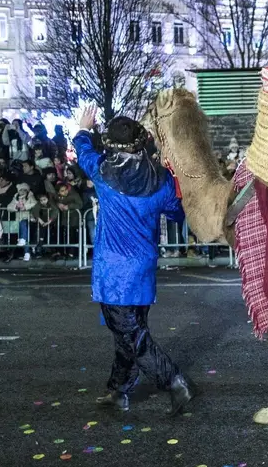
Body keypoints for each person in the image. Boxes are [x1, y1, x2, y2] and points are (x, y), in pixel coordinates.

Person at [72, 105, 193, 415]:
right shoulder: (162, 180)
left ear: (111, 145)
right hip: (142, 269)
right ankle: (117, 390)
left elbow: (82, 148)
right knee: (128, 332)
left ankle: (173, 379)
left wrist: (84, 127)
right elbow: (177, 213)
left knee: (132, 335)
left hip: (113, 271)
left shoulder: (102, 172)